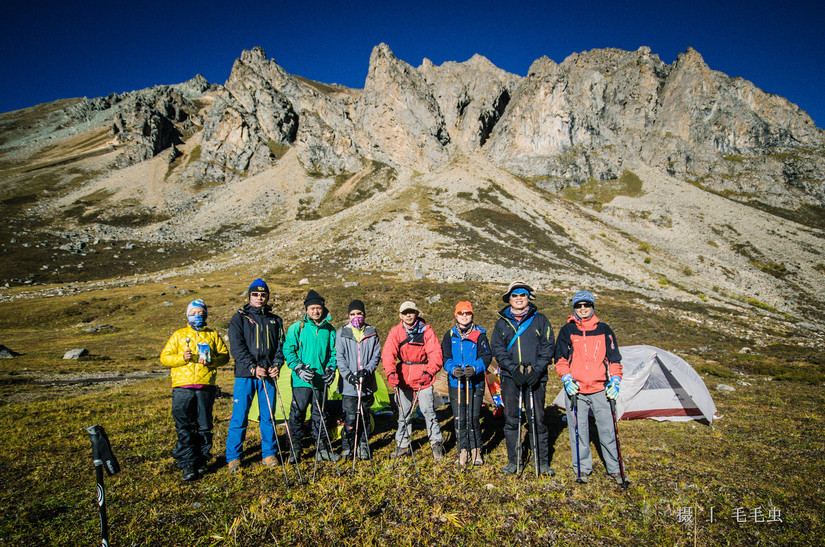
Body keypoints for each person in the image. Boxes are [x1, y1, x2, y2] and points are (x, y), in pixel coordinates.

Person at [554, 290, 624, 484]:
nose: (583, 309)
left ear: (592, 306)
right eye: (579, 306)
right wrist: (567, 379)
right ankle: (582, 469)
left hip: (601, 389)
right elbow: (560, 359)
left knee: (608, 430)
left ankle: (615, 468)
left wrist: (616, 381)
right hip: (575, 389)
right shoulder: (567, 331)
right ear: (574, 308)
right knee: (578, 430)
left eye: (586, 305)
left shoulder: (604, 329)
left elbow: (614, 359)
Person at [491, 281, 555, 476]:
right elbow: (498, 348)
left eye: (523, 295)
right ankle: (514, 461)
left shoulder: (541, 320)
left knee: (538, 418)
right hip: (511, 378)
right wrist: (512, 369)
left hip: (536, 376)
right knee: (512, 419)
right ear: (509, 299)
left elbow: (548, 345)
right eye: (515, 295)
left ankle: (541, 462)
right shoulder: (502, 322)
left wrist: (537, 369)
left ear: (529, 298)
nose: (519, 298)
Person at [161, 299, 229, 481]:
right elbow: (165, 358)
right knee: (185, 426)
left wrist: (212, 360)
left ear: (205, 315)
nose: (197, 316)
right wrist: (182, 358)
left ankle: (202, 461)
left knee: (204, 426)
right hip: (182, 387)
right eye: (194, 313)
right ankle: (187, 464)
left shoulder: (213, 335)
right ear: (187, 314)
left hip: (205, 386)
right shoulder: (178, 335)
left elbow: (224, 357)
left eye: (200, 313)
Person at [225, 278, 285, 473]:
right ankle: (234, 457)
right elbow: (237, 347)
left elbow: (280, 346)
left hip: (268, 375)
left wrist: (276, 365)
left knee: (268, 416)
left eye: (263, 294)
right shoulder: (239, 318)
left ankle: (269, 453)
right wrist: (252, 367)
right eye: (256, 294)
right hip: (245, 375)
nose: (260, 297)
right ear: (249, 296)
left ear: (267, 296)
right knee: (239, 416)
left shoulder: (275, 320)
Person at [382, 301, 445, 461]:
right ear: (400, 315)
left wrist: (430, 372)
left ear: (417, 313)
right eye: (405, 313)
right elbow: (388, 353)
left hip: (424, 376)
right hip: (403, 377)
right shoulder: (395, 332)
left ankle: (436, 443)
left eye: (411, 312)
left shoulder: (427, 331)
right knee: (404, 413)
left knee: (428, 411)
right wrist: (390, 373)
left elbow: (436, 353)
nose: (408, 315)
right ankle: (403, 444)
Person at [284, 290, 338, 463]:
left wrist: (330, 368)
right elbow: (288, 349)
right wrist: (298, 368)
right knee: (297, 414)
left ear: (323, 309)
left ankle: (321, 449)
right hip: (301, 381)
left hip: (320, 381)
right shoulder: (297, 327)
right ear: (306, 309)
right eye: (312, 308)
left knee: (320, 415)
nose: (316, 311)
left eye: (318, 308)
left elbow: (334, 352)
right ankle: (295, 449)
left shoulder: (329, 330)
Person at [441, 301, 492, 467]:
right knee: (459, 418)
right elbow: (445, 358)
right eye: (461, 313)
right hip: (456, 382)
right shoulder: (449, 335)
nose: (464, 316)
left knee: (473, 417)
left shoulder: (480, 334)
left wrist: (475, 368)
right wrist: (452, 369)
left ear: (472, 315)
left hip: (474, 382)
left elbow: (486, 356)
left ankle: (476, 449)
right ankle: (462, 450)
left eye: (467, 313)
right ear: (456, 315)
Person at [336, 299, 381, 460]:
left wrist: (367, 371)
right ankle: (348, 446)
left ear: (364, 314)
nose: (356, 317)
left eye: (359, 313)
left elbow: (376, 355)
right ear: (348, 315)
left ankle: (363, 444)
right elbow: (339, 358)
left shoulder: (372, 332)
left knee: (364, 416)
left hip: (367, 383)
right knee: (350, 417)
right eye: (353, 314)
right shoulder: (341, 333)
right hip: (349, 385)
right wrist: (347, 375)